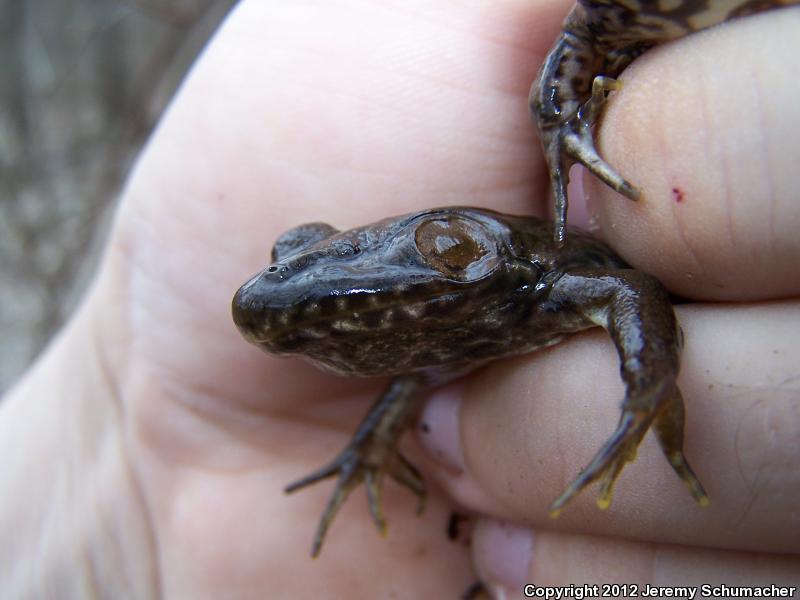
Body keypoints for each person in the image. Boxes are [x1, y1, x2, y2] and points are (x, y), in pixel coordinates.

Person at [2, 1, 798, 597]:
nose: (330, 277)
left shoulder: (531, 286)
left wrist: (648, 383)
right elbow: (411, 378)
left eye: (335, 252)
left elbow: (623, 288)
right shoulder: (437, 342)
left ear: (451, 247)